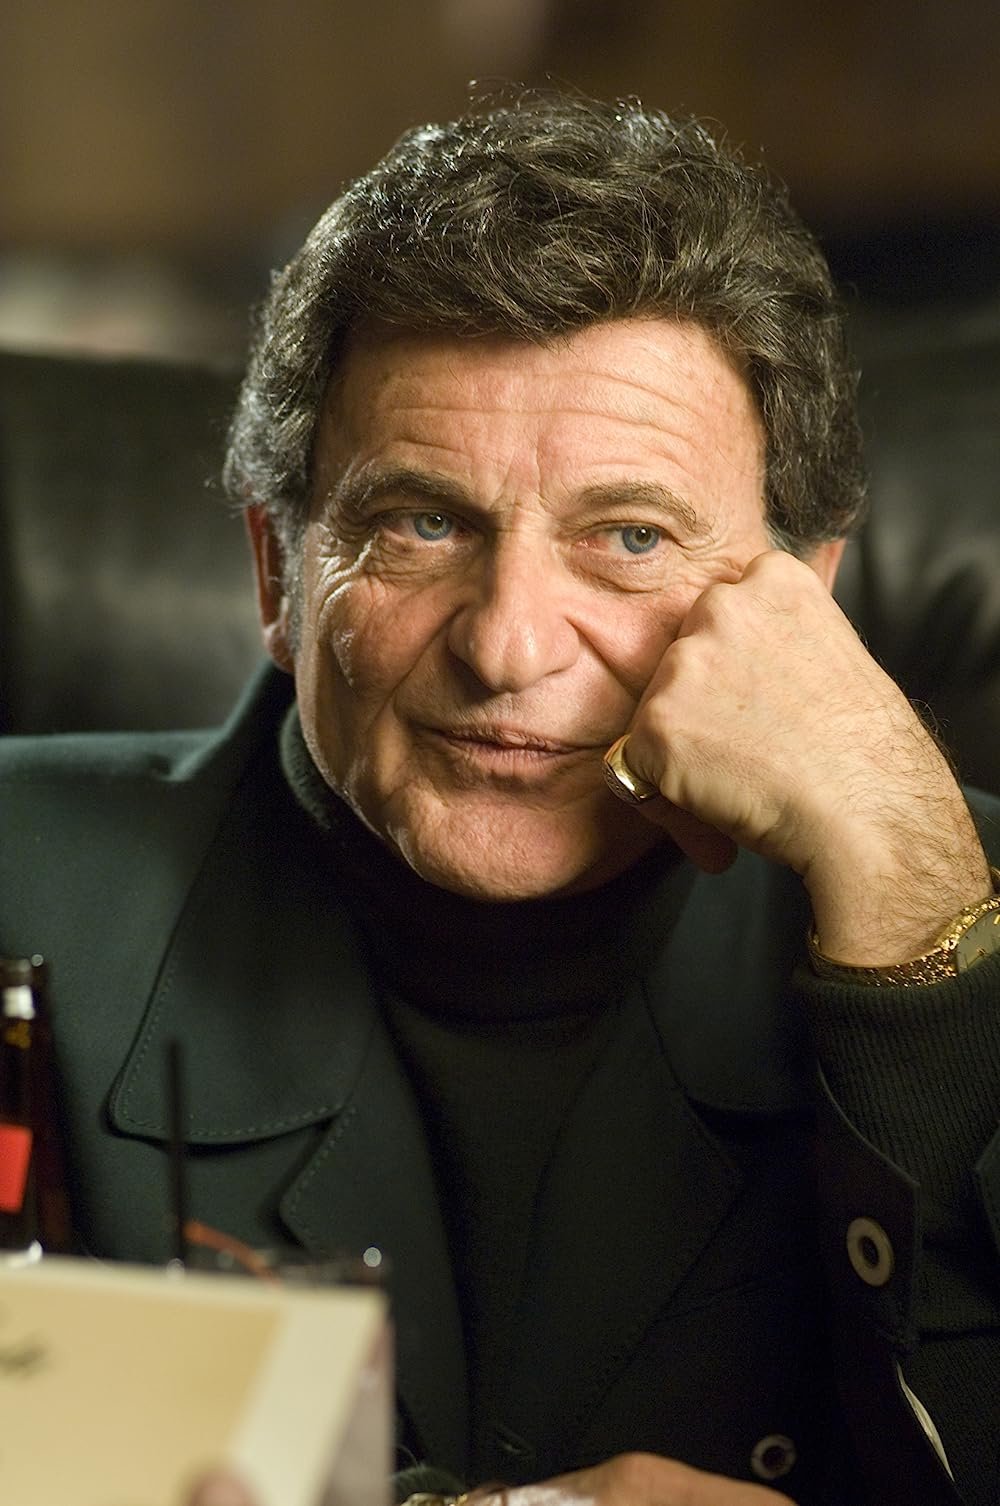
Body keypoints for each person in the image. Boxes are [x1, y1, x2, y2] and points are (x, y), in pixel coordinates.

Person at [2, 92, 999, 1506]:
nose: (510, 643)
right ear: (280, 575)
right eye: (422, 521)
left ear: (805, 606)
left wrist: (911, 896)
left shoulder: (963, 897)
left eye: (630, 537)